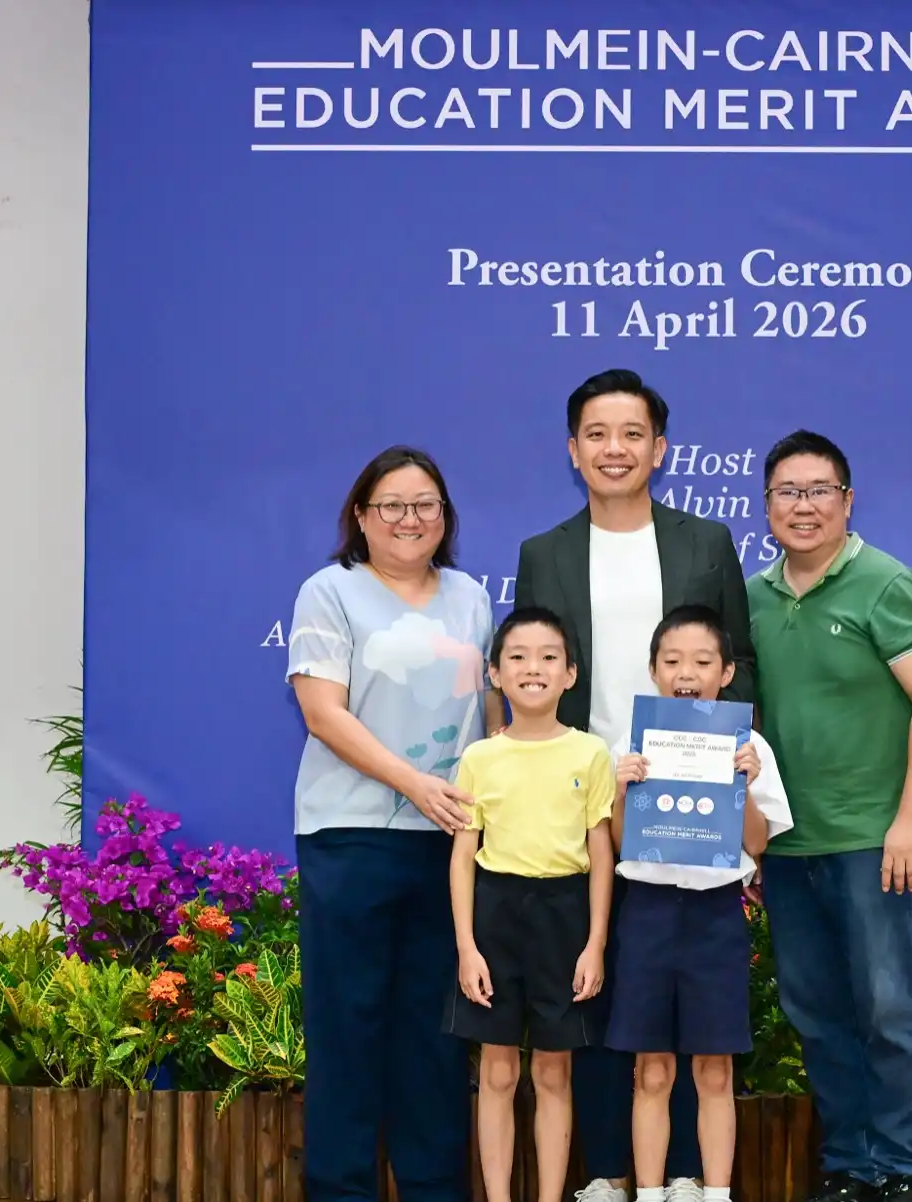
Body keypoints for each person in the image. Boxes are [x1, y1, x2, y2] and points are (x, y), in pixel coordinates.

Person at [514, 368, 756, 1202]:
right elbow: (530, 674)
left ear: (660, 449)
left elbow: (742, 662)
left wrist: (734, 796)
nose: (613, 449)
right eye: (596, 434)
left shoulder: (706, 543)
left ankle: (685, 1171)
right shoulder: (543, 553)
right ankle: (609, 1170)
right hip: (585, 793)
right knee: (595, 980)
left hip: (687, 807)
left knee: (685, 997)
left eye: (631, 434)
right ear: (572, 449)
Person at [744, 431, 912, 1202]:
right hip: (790, 845)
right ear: (766, 505)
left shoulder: (885, 583)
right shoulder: (752, 598)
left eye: (818, 491)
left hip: (877, 840)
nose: (802, 506)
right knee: (817, 1012)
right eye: (787, 492)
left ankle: (907, 1170)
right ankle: (851, 1165)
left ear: (847, 500)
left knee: (889, 1009)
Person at [285, 445, 503, 1202]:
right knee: (347, 1027)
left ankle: (434, 1187)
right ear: (361, 515)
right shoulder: (330, 591)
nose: (410, 519)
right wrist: (414, 783)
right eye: (393, 506)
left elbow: (490, 711)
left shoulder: (471, 598)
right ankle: (339, 1188)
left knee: (436, 1034)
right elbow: (323, 713)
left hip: (448, 844)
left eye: (425, 506)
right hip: (351, 836)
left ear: (445, 516)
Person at [607, 605, 794, 1202]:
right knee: (652, 1070)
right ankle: (649, 1192)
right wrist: (622, 790)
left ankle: (716, 1193)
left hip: (716, 917)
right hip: (646, 914)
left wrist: (743, 785)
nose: (686, 672)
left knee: (715, 1069)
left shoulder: (749, 745)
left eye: (702, 661)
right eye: (672, 661)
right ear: (653, 670)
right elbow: (618, 842)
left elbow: (758, 843)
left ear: (726, 672)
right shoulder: (630, 743)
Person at [445, 606, 617, 1202]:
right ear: (495, 673)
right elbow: (463, 857)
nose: (533, 668)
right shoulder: (480, 757)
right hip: (495, 914)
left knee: (553, 1069)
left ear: (570, 673)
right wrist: (467, 948)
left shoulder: (591, 754)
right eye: (517, 657)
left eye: (549, 657)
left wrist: (595, 945)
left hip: (565, 916)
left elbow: (600, 853)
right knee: (496, 1069)